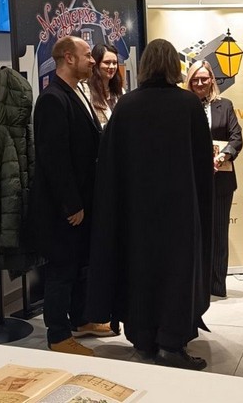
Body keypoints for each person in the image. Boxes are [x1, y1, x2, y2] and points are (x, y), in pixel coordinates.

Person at [86, 39, 214, 371]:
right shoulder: (188, 104)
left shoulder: (127, 105)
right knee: (176, 274)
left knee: (140, 272)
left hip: (136, 212)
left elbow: (110, 164)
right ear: (174, 65)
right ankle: (171, 342)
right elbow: (203, 163)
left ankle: (143, 338)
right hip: (179, 211)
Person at [32, 35, 113, 356]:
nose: (93, 60)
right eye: (87, 55)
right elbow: (54, 158)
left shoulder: (76, 92)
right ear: (68, 58)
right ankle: (58, 335)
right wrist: (72, 204)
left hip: (84, 201)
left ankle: (80, 320)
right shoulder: (53, 99)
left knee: (79, 266)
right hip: (63, 208)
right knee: (61, 271)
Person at [185, 60, 243, 298]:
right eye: (195, 79)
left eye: (204, 78)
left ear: (212, 80)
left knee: (219, 233)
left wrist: (223, 155)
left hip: (221, 181)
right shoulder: (183, 106)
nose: (200, 83)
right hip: (191, 181)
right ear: (189, 82)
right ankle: (195, 286)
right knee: (193, 234)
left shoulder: (225, 105)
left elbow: (236, 137)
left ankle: (217, 286)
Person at [84, 43, 124, 128]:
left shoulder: (120, 91)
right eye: (107, 62)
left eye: (114, 63)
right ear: (96, 64)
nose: (112, 66)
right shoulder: (85, 90)